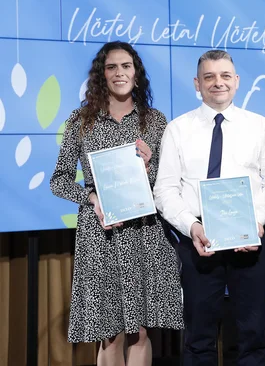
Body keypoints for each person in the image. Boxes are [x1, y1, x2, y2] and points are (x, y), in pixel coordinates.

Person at [50, 41, 183, 365]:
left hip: (145, 234)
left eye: (126, 66)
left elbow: (167, 184)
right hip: (101, 235)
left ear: (136, 75)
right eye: (112, 67)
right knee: (109, 332)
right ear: (102, 75)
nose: (119, 73)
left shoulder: (155, 121)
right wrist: (91, 197)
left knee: (139, 331)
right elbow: (60, 180)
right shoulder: (81, 120)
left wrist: (150, 165)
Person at [153, 49, 265, 366]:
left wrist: (256, 222)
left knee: (254, 336)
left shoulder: (259, 126)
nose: (217, 83)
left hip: (250, 242)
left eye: (224, 76)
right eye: (209, 77)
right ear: (197, 83)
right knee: (199, 337)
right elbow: (165, 190)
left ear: (236, 82)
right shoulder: (178, 129)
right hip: (199, 241)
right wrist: (192, 228)